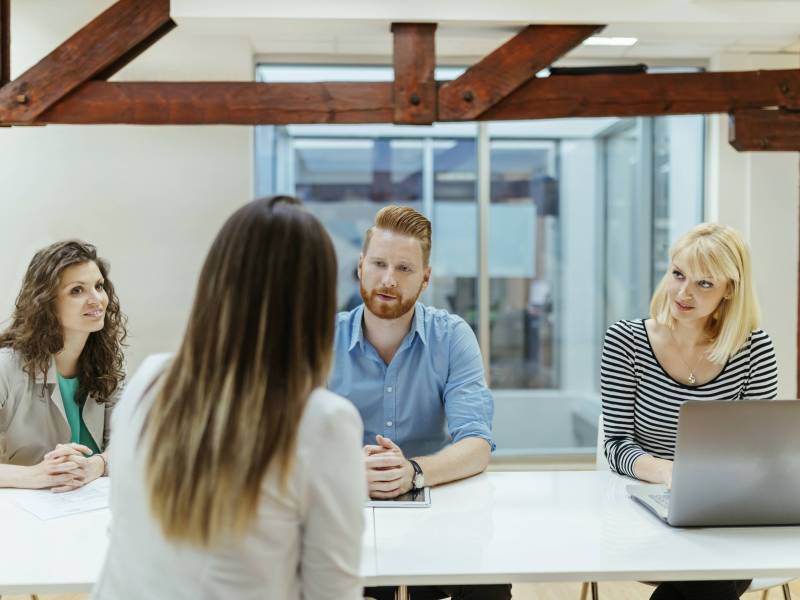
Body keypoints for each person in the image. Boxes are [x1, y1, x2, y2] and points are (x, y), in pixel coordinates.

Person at [92, 196, 366, 600]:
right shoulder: (322, 421)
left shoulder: (150, 380)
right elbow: (334, 593)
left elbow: (123, 531)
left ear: (216, 284)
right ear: (314, 304)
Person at [330, 205, 512, 600]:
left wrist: (411, 471)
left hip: (438, 511)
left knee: (488, 584)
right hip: (346, 515)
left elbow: (476, 445)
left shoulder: (452, 337)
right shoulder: (320, 341)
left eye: (405, 269)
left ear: (426, 277)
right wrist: (344, 471)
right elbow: (286, 442)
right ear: (361, 266)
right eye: (378, 264)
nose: (388, 279)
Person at [601, 222, 777, 600]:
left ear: (730, 291)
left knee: (709, 574)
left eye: (705, 284)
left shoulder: (755, 350)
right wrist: (670, 473)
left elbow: (761, 449)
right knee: (715, 580)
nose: (683, 293)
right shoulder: (626, 341)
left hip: (726, 508)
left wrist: (716, 486)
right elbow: (616, 444)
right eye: (678, 274)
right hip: (646, 501)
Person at [0, 240, 126, 491]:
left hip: (86, 514)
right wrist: (36, 475)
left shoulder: (106, 362)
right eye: (77, 290)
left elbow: (131, 442)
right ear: (46, 303)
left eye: (99, 286)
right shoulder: (5, 366)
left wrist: (99, 464)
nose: (96, 300)